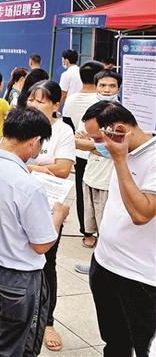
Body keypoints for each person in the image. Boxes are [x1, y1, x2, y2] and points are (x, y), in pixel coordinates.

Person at [0, 107, 70, 356]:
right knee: (15, 345)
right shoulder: (28, 187)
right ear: (34, 142)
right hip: (18, 277)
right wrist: (58, 216)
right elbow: (40, 245)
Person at [81, 101, 156, 357]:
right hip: (105, 264)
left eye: (97, 138)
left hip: (138, 277)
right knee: (114, 342)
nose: (96, 145)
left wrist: (119, 160)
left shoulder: (151, 158)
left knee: (139, 347)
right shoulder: (121, 149)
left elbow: (141, 213)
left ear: (119, 130)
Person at [25, 80, 76, 352]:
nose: (33, 104)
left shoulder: (63, 131)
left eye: (41, 100)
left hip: (49, 207)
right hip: (19, 205)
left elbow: (64, 168)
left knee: (47, 265)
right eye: (31, 99)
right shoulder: (21, 124)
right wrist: (46, 167)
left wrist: (32, 169)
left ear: (56, 105)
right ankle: (23, 316)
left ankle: (47, 321)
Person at [73, 69, 123, 273]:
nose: (107, 89)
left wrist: (92, 143)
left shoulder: (122, 112)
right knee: (93, 218)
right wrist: (99, 145)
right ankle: (99, 263)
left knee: (108, 224)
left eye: (111, 86)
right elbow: (76, 141)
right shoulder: (90, 109)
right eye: (102, 85)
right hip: (91, 173)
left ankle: (105, 266)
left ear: (119, 87)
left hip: (110, 177)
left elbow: (115, 149)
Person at [63, 61, 104, 248]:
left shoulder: (71, 99)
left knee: (82, 193)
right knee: (101, 194)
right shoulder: (101, 100)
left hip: (79, 152)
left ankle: (86, 232)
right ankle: (101, 231)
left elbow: (68, 126)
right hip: (100, 154)